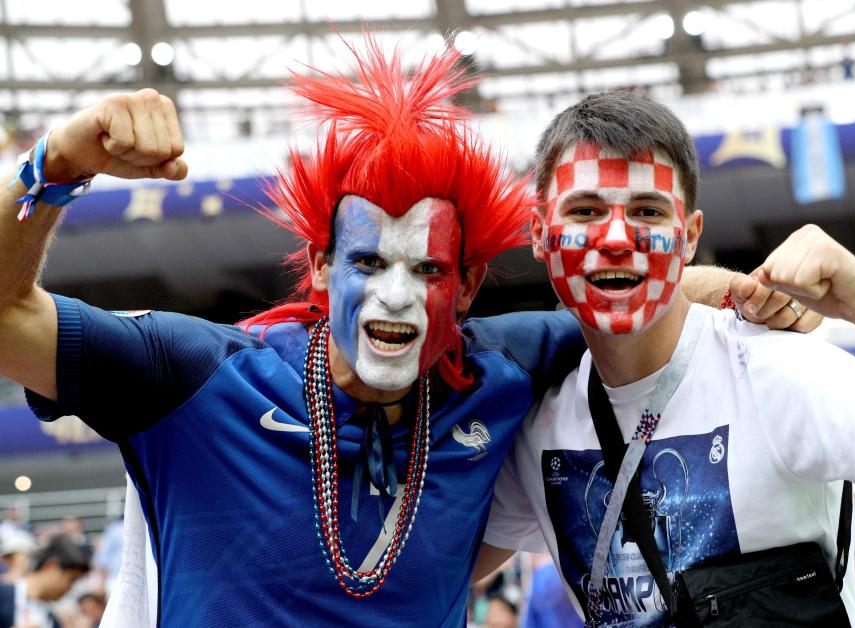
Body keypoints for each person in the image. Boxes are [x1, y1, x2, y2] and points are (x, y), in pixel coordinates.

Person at [0, 39, 801, 627]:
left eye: (429, 271)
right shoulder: (196, 373)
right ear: (319, 267)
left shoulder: (501, 368)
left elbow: (617, 301)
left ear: (468, 286)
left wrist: (738, 292)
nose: (398, 298)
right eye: (369, 262)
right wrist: (55, 163)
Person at [478, 91, 855, 626]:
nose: (616, 238)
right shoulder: (537, 422)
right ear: (540, 235)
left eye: (648, 211)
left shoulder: (778, 372)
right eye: (586, 211)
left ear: (688, 237)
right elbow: (424, 575)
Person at [0, 535, 90, 628]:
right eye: (71, 579)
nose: (70, 588)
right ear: (52, 566)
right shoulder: (2, 595)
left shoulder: (53, 621)